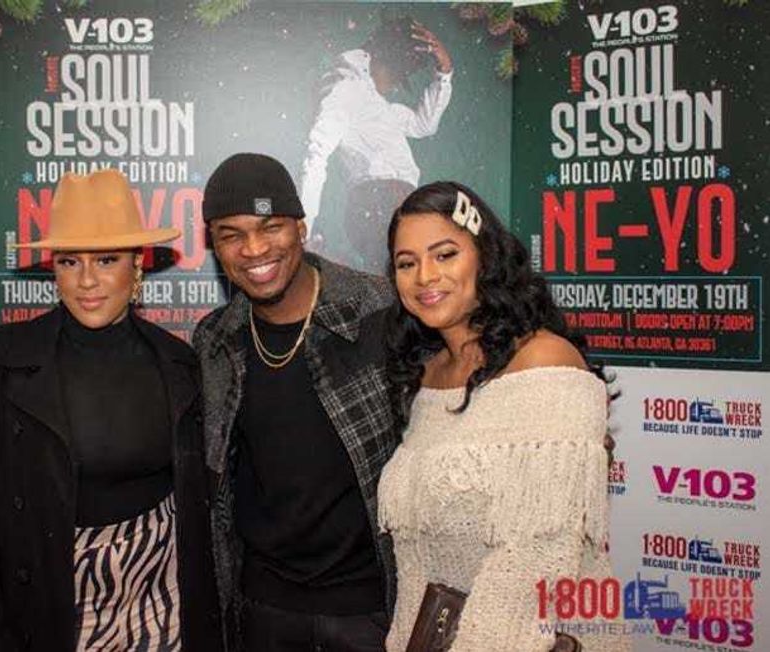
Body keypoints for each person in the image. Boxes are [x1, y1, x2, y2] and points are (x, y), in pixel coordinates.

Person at [0, 170, 222, 652]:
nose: (87, 280)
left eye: (106, 260)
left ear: (137, 264)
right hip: (51, 611)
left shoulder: (181, 363)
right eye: (70, 261)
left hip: (163, 606)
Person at [377, 181, 628, 652]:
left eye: (445, 254)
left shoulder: (545, 361)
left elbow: (532, 567)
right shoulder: (426, 377)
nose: (425, 276)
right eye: (406, 263)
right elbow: (416, 565)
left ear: (485, 257)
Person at [194, 153, 399, 652]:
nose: (254, 249)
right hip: (264, 610)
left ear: (302, 228)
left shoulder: (380, 311)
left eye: (271, 227)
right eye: (231, 235)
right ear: (215, 246)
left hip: (373, 610)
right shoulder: (214, 341)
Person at [299, 17, 453, 273]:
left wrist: (444, 73)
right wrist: (303, 228)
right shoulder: (346, 90)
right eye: (400, 74)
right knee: (397, 279)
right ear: (387, 60)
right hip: (379, 200)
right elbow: (316, 155)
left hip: (394, 201)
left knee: (402, 279)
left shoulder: (382, 107)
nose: (396, 84)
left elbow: (423, 125)